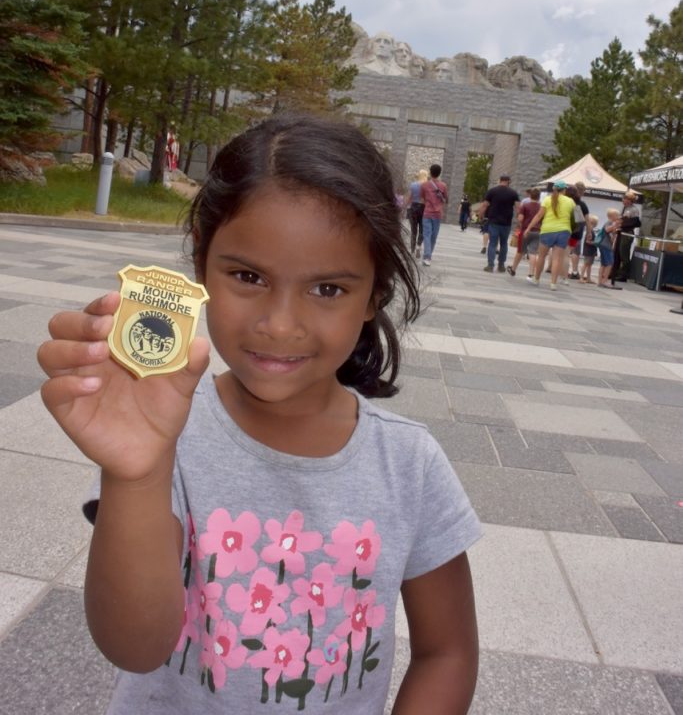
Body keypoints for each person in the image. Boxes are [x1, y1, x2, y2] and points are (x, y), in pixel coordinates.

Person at [37, 114, 481, 715]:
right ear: (201, 268)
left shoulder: (409, 462)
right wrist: (136, 474)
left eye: (327, 289)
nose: (280, 324)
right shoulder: (167, 438)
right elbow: (134, 647)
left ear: (375, 292)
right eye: (248, 276)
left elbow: (447, 652)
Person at [524, 180, 574, 291]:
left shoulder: (547, 199)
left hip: (548, 230)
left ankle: (536, 279)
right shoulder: (570, 201)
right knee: (557, 258)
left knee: (542, 256)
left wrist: (528, 228)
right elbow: (572, 217)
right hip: (564, 231)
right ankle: (553, 283)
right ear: (564, 190)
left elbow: (539, 216)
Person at [478, 175, 520, 273]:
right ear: (508, 181)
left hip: (494, 221)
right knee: (504, 244)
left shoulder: (492, 191)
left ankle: (490, 265)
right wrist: (519, 220)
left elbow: (485, 205)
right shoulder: (513, 193)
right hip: (506, 223)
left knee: (492, 243)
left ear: (499, 180)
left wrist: (480, 215)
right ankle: (501, 266)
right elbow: (518, 207)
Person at [507, 187, 541, 279]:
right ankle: (531, 273)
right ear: (539, 197)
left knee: (520, 251)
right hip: (538, 231)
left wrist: (521, 224)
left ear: (530, 195)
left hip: (526, 230)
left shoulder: (525, 206)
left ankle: (513, 269)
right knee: (533, 252)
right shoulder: (541, 207)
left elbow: (520, 218)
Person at [420, 163, 449, 267]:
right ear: (439, 173)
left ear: (430, 172)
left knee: (426, 235)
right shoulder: (443, 185)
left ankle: (427, 256)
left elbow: (422, 198)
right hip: (438, 214)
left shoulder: (424, 185)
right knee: (433, 236)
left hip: (427, 213)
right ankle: (428, 256)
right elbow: (446, 199)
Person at [612, 189, 642, 283]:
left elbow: (636, 223)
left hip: (627, 233)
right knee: (616, 252)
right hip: (621, 232)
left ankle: (623, 274)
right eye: (624, 198)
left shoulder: (634, 210)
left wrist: (622, 223)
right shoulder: (624, 208)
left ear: (630, 200)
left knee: (623, 254)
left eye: (626, 199)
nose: (624, 200)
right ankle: (614, 272)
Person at [406, 168, 428, 258]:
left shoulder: (413, 184)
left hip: (413, 207)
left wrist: (406, 206)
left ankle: (412, 250)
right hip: (423, 208)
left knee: (413, 230)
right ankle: (419, 246)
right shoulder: (427, 186)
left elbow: (410, 197)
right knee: (422, 230)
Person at [597, 208, 621, 287]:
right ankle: (604, 281)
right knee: (610, 263)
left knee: (603, 264)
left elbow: (613, 235)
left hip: (605, 245)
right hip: (606, 245)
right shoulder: (609, 222)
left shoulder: (611, 223)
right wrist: (615, 225)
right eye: (617, 215)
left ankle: (600, 281)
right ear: (612, 216)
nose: (618, 217)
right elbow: (607, 230)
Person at [580, 214, 600, 283]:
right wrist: (595, 243)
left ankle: (588, 278)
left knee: (589, 265)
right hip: (589, 250)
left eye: (593, 224)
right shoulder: (590, 232)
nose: (592, 226)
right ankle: (581, 277)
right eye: (591, 224)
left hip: (591, 251)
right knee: (586, 264)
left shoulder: (591, 232)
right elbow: (588, 241)